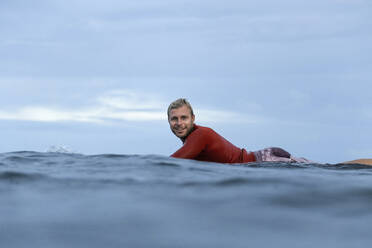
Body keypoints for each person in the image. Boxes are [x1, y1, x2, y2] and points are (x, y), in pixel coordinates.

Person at [168, 98, 311, 164]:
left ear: (193, 118)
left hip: (266, 161)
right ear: (168, 121)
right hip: (264, 158)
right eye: (174, 119)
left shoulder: (199, 135)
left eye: (184, 118)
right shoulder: (193, 140)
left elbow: (171, 163)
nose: (179, 123)